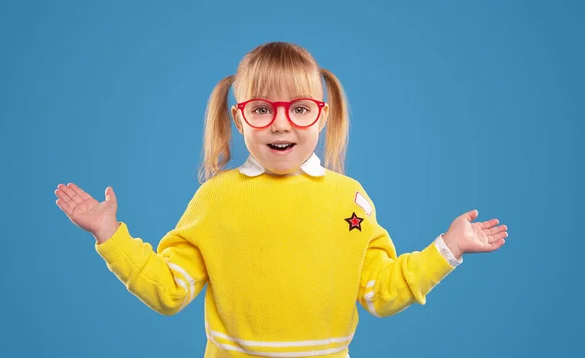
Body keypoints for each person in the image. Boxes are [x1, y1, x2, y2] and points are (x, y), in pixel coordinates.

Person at [55, 42, 508, 358]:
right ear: (239, 118)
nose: (281, 124)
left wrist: (447, 248)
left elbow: (381, 293)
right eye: (261, 109)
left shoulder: (348, 198)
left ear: (321, 116)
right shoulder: (215, 199)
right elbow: (169, 290)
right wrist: (107, 233)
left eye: (300, 108)